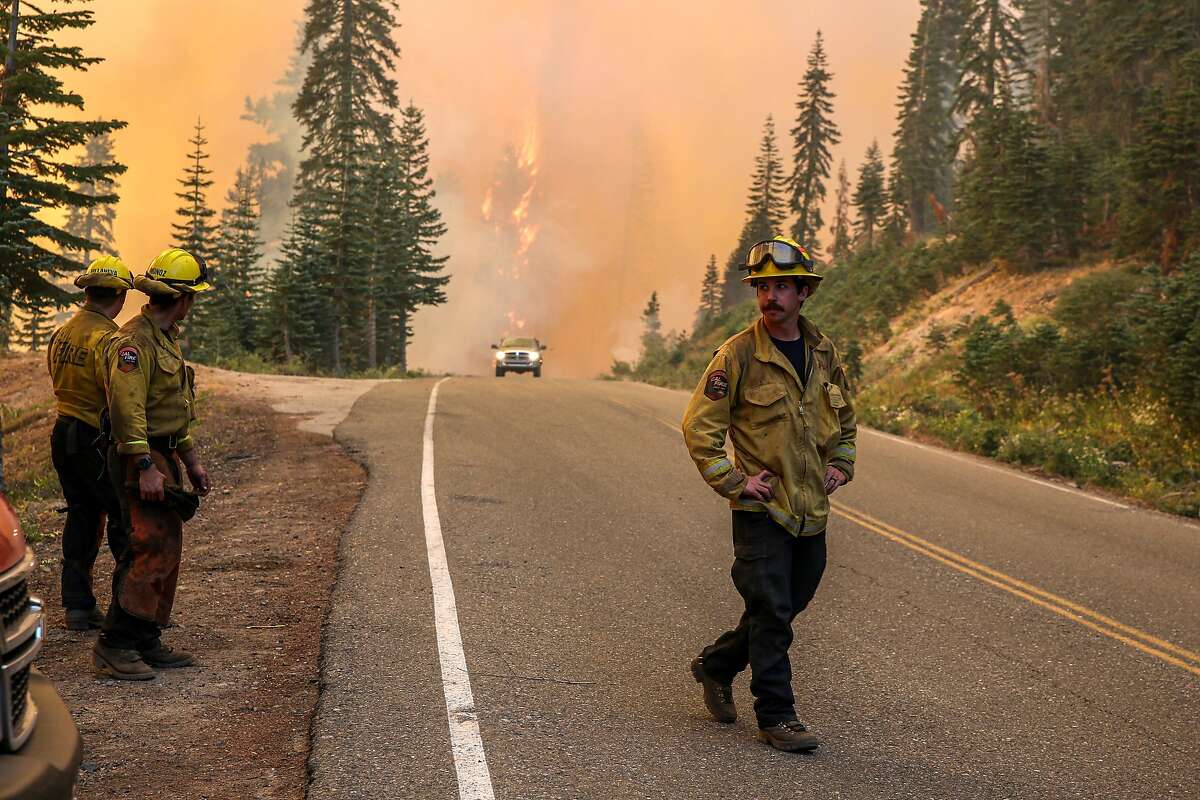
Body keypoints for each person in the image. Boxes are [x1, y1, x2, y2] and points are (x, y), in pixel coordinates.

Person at [682, 235, 857, 752]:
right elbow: (699, 428)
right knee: (773, 612)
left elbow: (845, 420)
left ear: (804, 292)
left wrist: (841, 464)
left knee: (780, 608)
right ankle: (777, 716)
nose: (769, 296)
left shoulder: (823, 352)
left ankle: (717, 665)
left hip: (811, 512)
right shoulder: (736, 355)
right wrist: (735, 482)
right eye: (762, 287)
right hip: (761, 511)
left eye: (781, 287)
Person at [92, 248, 213, 681]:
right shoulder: (134, 342)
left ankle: (145, 638)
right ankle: (115, 644)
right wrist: (145, 465)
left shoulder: (164, 337)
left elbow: (171, 409)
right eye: (193, 296)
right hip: (138, 456)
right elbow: (127, 410)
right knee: (147, 545)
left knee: (165, 545)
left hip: (162, 452)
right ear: (182, 298)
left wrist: (190, 460)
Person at [46, 256, 135, 631]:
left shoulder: (63, 333)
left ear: (88, 293)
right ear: (119, 296)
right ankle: (128, 610)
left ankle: (78, 605)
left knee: (81, 513)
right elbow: (118, 397)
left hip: (63, 432)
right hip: (94, 439)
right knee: (123, 519)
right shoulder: (109, 339)